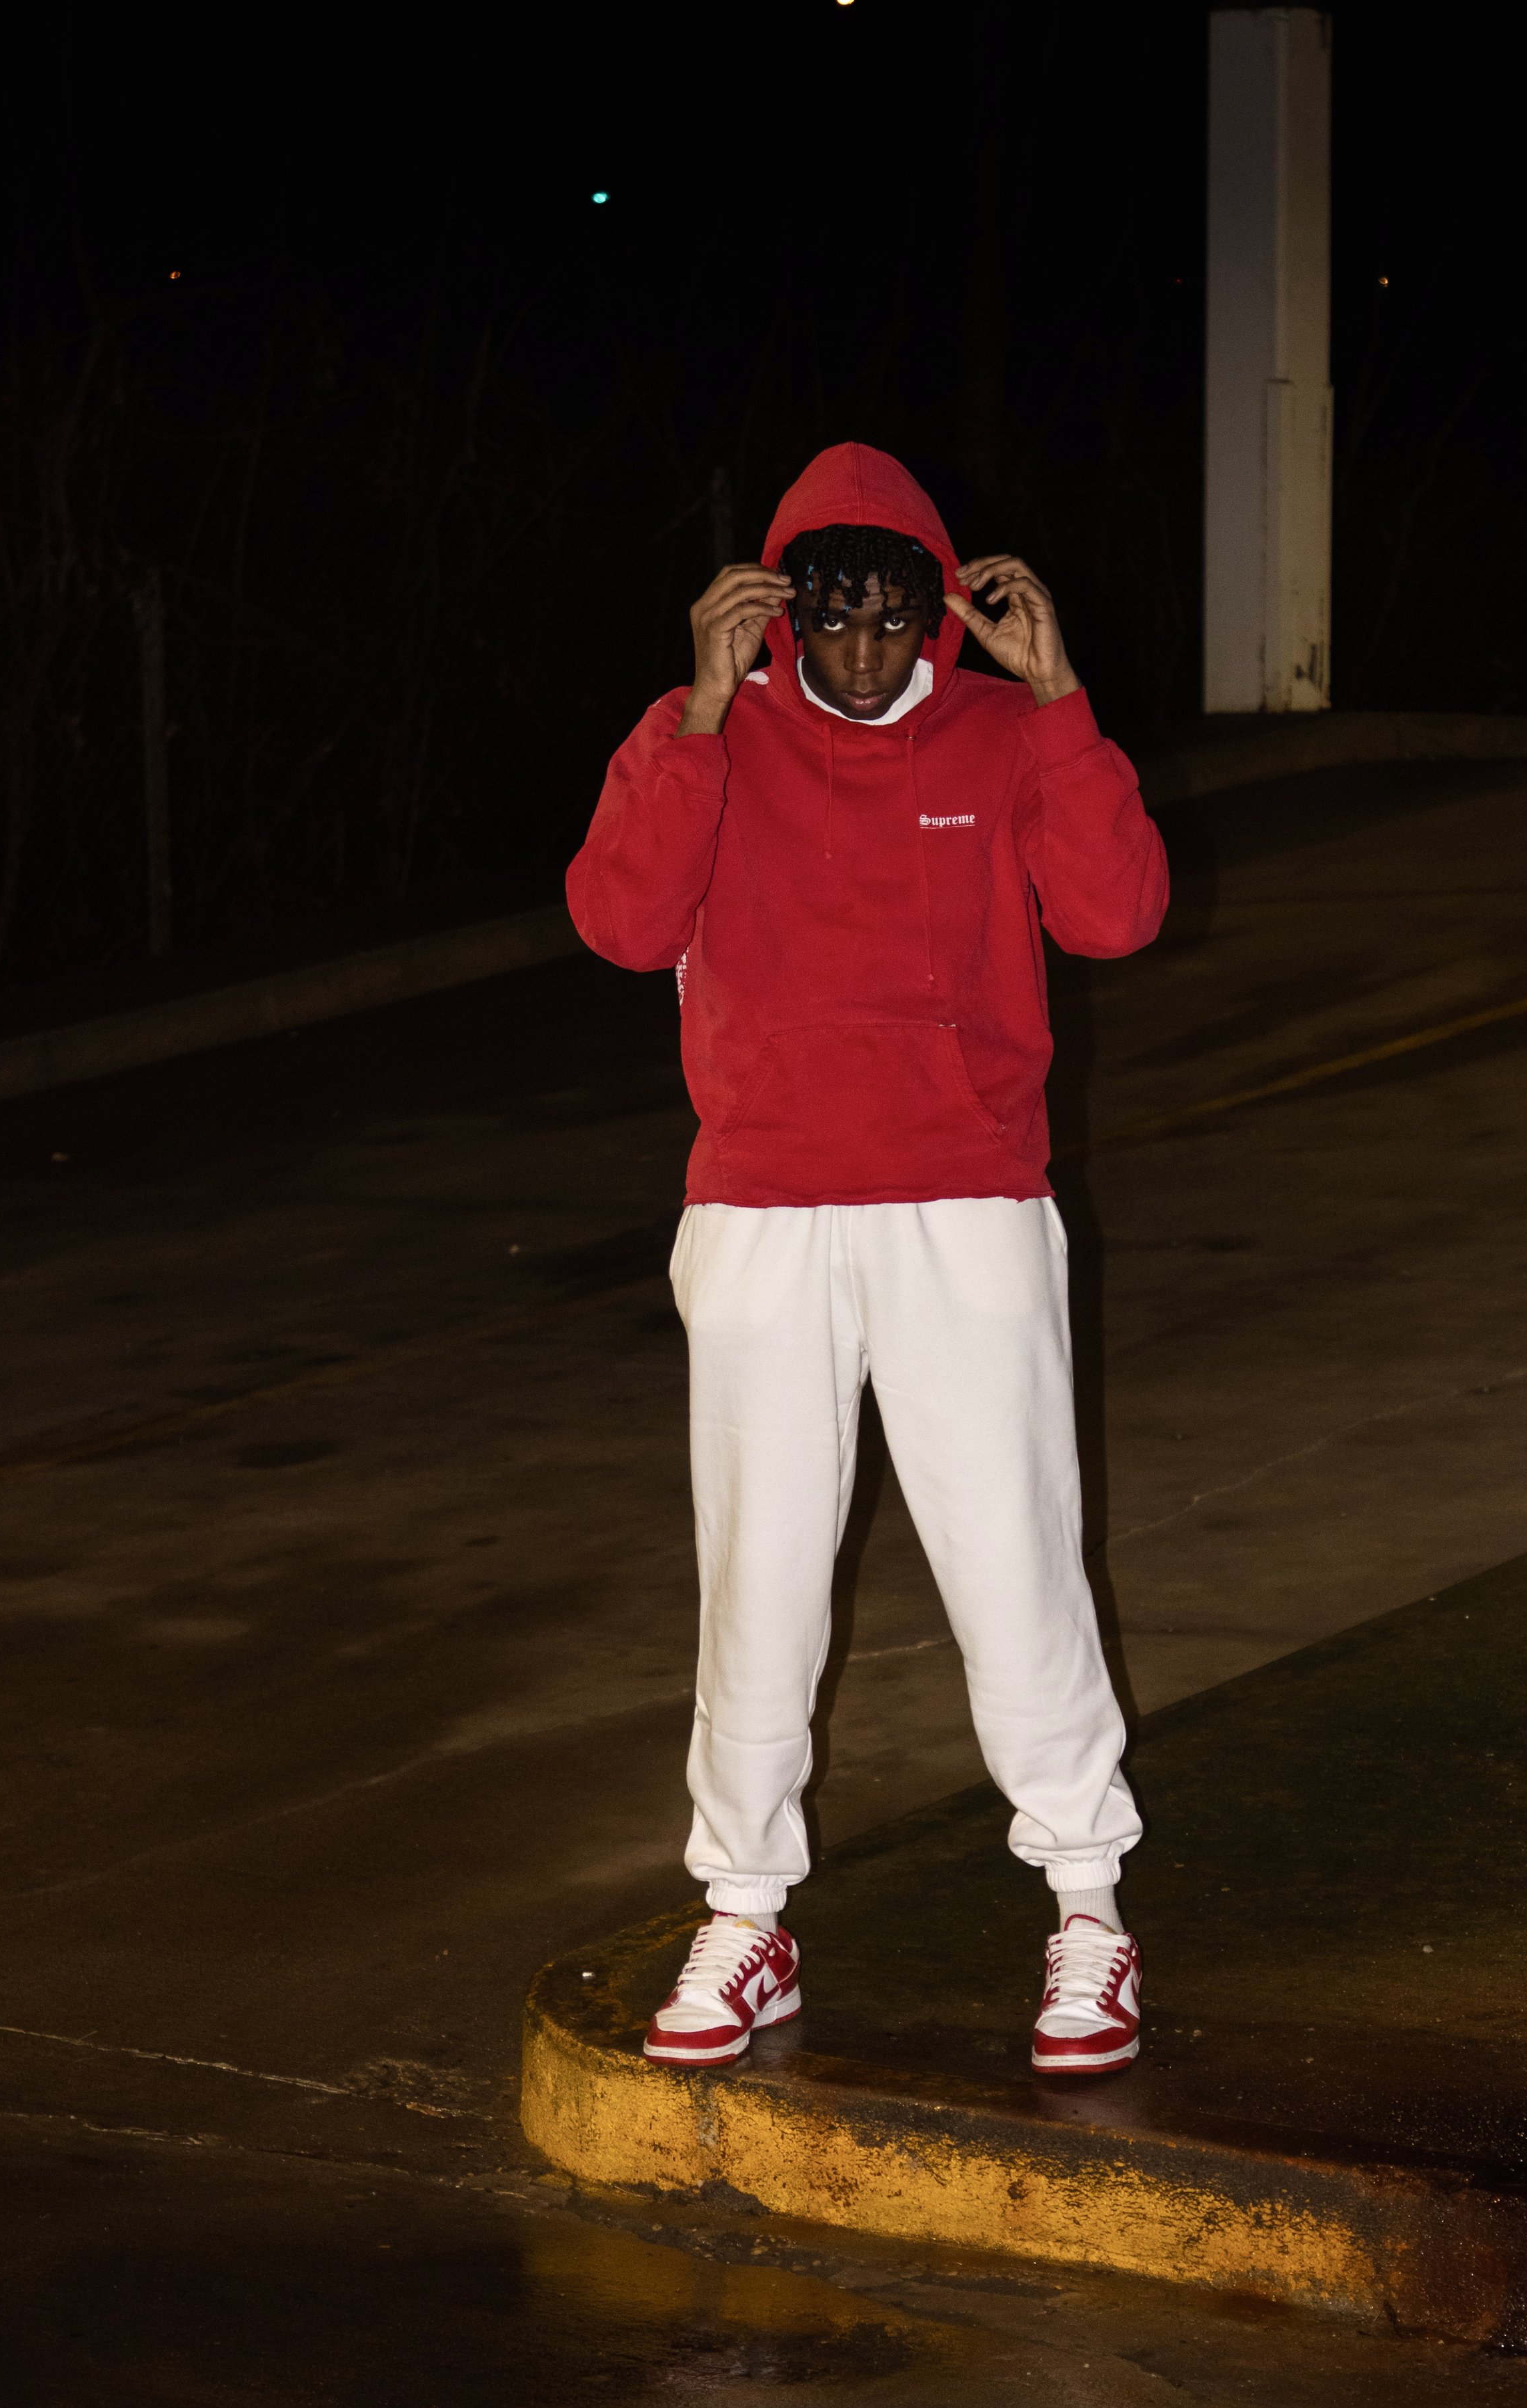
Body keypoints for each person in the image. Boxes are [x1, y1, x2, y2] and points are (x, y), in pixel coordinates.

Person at [566, 442, 1168, 2077]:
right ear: (775, 615)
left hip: (964, 1205)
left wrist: (1059, 707)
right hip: (760, 1212)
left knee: (1013, 1559)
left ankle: (1086, 1913)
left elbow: (1113, 916)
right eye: (823, 621)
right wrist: (693, 716)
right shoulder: (705, 732)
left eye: (889, 618)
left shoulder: (999, 727)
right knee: (757, 1576)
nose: (854, 652)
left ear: (937, 614)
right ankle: (744, 1915)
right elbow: (620, 925)